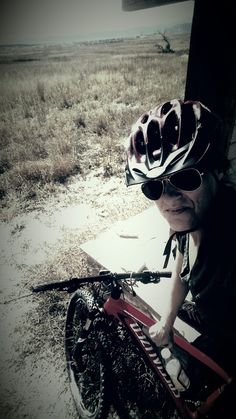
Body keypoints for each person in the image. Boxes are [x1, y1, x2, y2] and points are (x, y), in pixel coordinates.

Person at [125, 98, 236, 415]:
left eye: (185, 178)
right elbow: (181, 264)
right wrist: (168, 318)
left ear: (216, 171)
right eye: (153, 187)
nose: (169, 200)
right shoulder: (195, 221)